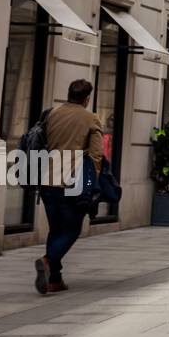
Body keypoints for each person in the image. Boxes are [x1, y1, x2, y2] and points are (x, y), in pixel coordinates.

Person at [35, 79, 104, 294]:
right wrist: (92, 182)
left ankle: (54, 280)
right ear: (86, 98)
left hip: (48, 178)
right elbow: (96, 155)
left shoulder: (51, 113)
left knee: (56, 229)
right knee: (72, 228)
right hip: (72, 180)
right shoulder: (91, 118)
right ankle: (48, 260)